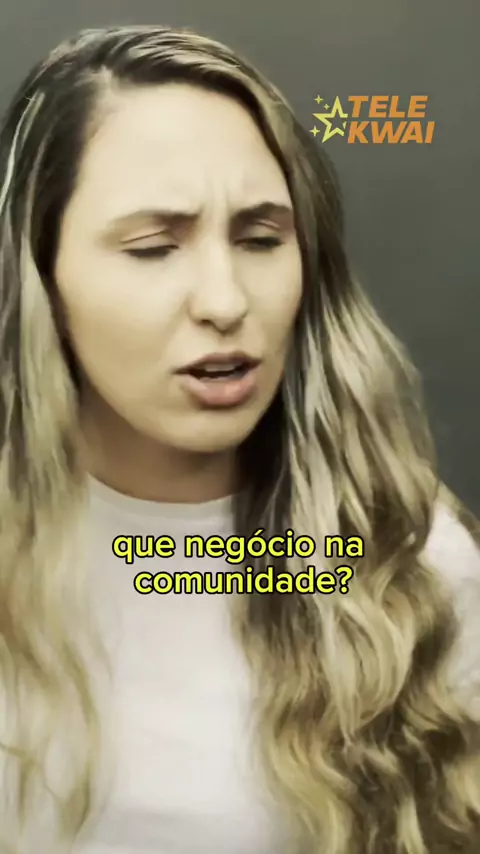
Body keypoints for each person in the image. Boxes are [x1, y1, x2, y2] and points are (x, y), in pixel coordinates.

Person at [0, 22, 478, 854]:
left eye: (261, 239)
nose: (225, 300)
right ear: (41, 276)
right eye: (154, 248)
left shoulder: (408, 562)